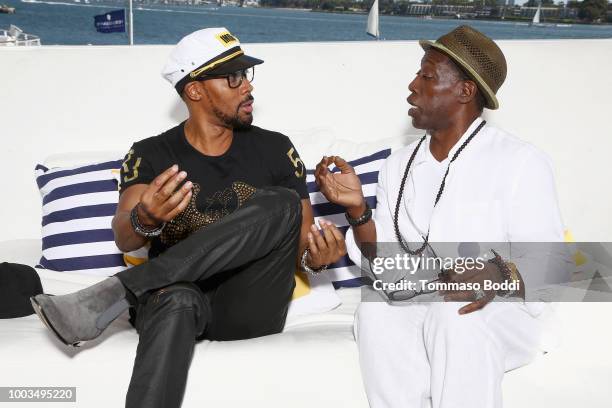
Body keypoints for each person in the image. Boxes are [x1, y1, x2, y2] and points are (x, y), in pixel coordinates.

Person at [30, 27, 347, 408]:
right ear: (194, 90)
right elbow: (125, 236)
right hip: (172, 298)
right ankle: (133, 290)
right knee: (176, 298)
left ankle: (121, 289)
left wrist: (318, 258)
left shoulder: (275, 149)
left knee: (281, 203)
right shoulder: (150, 154)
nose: (247, 87)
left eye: (246, 75)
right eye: (233, 77)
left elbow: (300, 252)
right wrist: (145, 217)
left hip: (249, 303)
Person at [315, 25, 569, 408]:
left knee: (454, 315)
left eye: (427, 76)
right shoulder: (398, 165)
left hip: (503, 310)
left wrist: (496, 274)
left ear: (465, 91)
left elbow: (552, 263)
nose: (412, 86)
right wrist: (358, 211)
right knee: (376, 311)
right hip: (424, 298)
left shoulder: (521, 162)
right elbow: (384, 269)